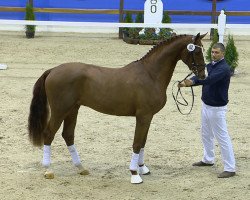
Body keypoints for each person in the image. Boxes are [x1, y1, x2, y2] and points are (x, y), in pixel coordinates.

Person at [178, 43, 236, 178]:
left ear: (223, 53)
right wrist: (188, 81)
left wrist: (192, 83)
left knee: (222, 137)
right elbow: (201, 74)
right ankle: (208, 158)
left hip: (217, 109)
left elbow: (209, 80)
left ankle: (230, 167)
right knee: (205, 134)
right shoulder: (211, 65)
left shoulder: (223, 69)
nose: (213, 54)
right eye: (213, 52)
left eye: (216, 53)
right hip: (206, 105)